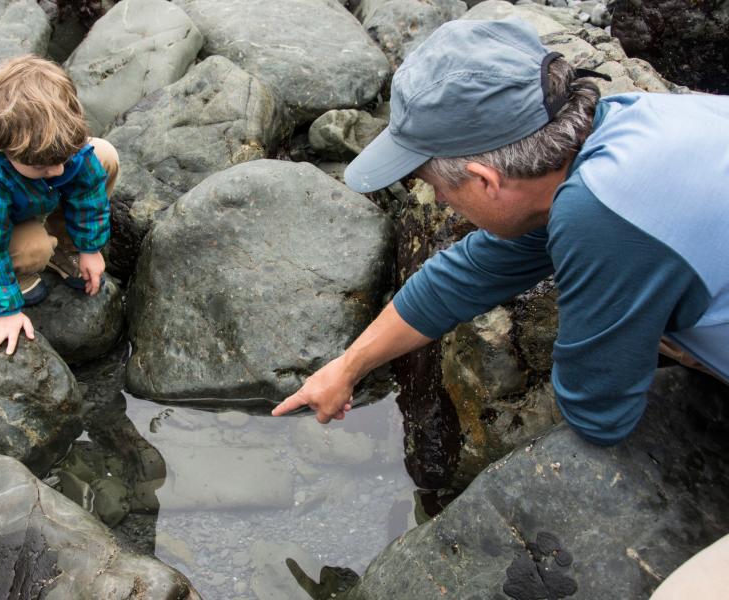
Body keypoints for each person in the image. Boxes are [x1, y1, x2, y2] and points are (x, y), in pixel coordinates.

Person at [273, 17, 728, 598]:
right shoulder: (624, 128)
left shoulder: (602, 219)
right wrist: (348, 366)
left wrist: (655, 335)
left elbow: (599, 411)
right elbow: (463, 275)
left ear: (486, 179)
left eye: (437, 186)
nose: (438, 200)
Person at [0, 55, 119, 356]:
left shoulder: (54, 139)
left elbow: (87, 190)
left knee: (104, 156)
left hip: (31, 188)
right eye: (44, 165)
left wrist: (90, 247)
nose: (58, 170)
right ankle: (20, 275)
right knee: (32, 248)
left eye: (63, 159)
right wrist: (4, 310)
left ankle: (66, 246)